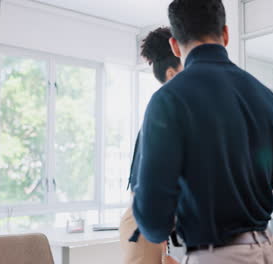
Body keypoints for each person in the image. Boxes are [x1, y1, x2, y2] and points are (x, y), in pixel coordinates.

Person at [132, 0, 273, 263]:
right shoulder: (268, 98)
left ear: (175, 46)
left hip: (218, 256)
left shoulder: (169, 101)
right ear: (225, 34)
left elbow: (154, 222)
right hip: (270, 250)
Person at [119, 27, 183, 264]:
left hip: (152, 219)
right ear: (171, 74)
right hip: (142, 222)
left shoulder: (170, 110)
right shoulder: (163, 111)